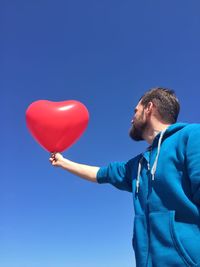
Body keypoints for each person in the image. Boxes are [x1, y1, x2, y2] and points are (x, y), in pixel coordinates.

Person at [49, 87, 200, 267]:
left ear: (149, 107)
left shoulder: (192, 136)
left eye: (135, 110)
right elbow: (101, 174)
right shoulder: (137, 165)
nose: (131, 118)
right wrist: (63, 162)